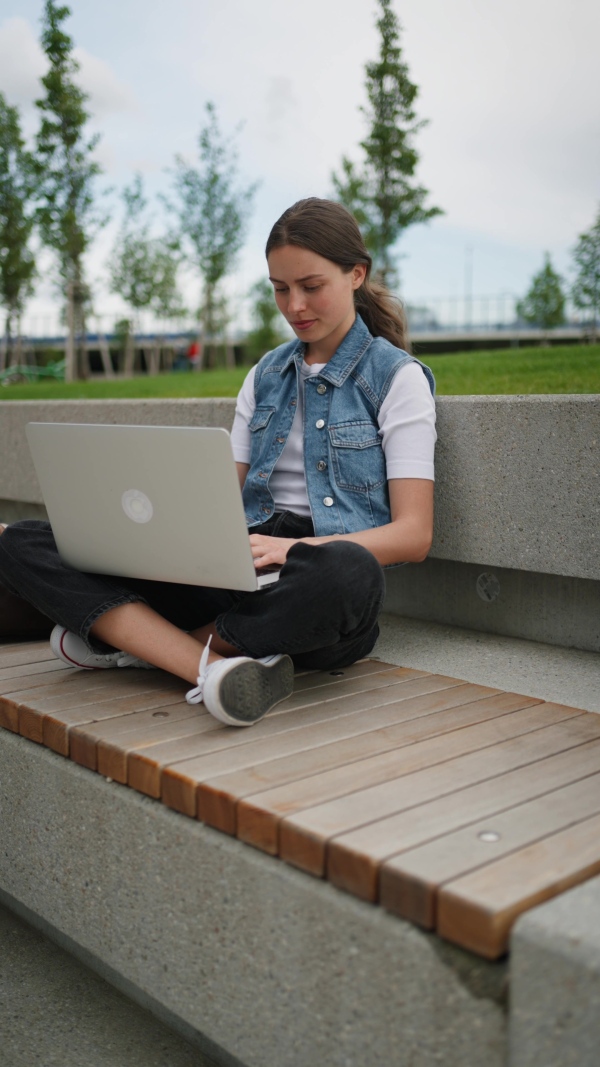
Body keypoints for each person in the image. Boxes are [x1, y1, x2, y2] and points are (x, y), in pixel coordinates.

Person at [0, 198, 436, 728]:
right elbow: (220, 499)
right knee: (23, 541)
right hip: (237, 564)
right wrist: (164, 540)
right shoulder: (265, 374)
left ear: (356, 275)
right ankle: (209, 670)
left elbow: (413, 535)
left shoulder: (398, 378)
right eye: (279, 288)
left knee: (350, 575)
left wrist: (293, 546)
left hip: (313, 577)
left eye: (311, 286)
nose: (294, 305)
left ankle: (146, 647)